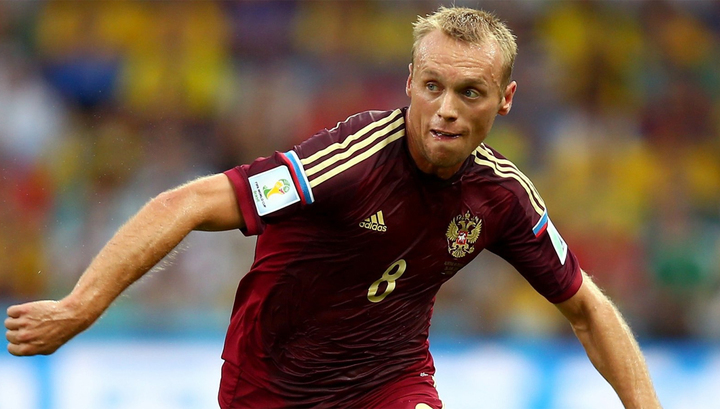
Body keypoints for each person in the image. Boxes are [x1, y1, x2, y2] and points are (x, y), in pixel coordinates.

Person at [5, 6, 661, 409]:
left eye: (470, 92)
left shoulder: (503, 196)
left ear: (506, 99)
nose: (446, 109)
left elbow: (588, 309)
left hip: (388, 384)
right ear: (410, 83)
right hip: (270, 386)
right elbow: (191, 200)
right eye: (432, 86)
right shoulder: (348, 161)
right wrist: (81, 306)